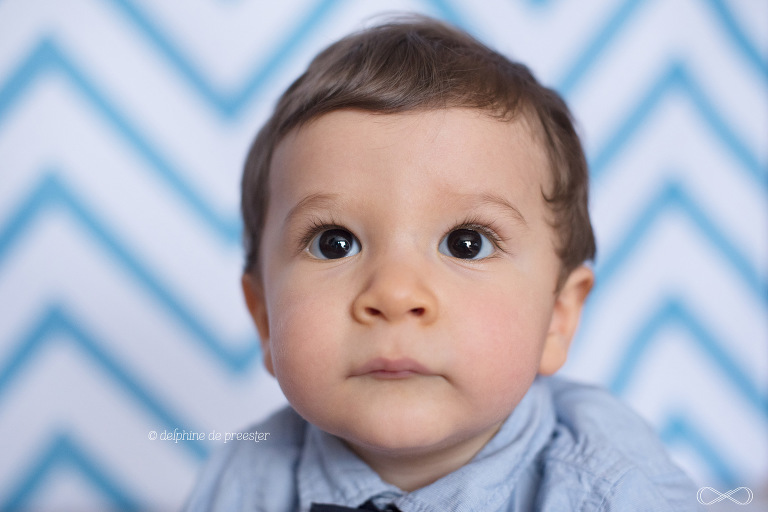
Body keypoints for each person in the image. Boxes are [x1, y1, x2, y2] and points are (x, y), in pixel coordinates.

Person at [184, 15, 699, 512]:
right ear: (265, 319)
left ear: (557, 318)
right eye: (334, 243)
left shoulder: (613, 489)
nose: (395, 294)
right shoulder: (245, 479)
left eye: (466, 243)